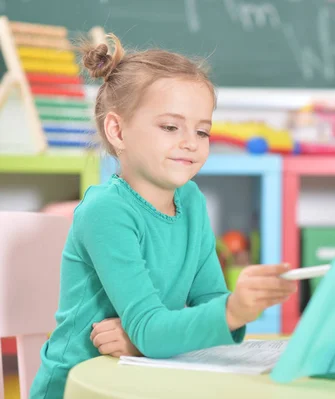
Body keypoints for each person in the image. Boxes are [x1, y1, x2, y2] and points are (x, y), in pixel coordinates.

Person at [29, 33, 296, 399]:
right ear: (117, 130)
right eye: (171, 127)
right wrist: (228, 311)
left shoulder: (192, 201)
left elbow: (207, 303)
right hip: (79, 387)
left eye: (202, 130)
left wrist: (149, 338)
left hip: (145, 379)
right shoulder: (106, 212)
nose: (190, 141)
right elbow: (160, 326)